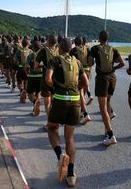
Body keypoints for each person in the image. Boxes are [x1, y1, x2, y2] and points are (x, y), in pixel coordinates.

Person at [46, 38, 88, 187]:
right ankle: (70, 175)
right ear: (70, 49)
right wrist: (76, 90)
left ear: (59, 48)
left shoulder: (55, 60)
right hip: (76, 100)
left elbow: (48, 79)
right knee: (69, 137)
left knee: (51, 128)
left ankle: (60, 157)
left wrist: (56, 89)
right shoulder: (77, 62)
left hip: (60, 100)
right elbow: (86, 83)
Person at [89, 30, 124, 146]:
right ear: (108, 39)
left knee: (102, 107)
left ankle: (110, 135)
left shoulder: (95, 49)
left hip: (102, 79)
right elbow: (122, 63)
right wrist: (113, 69)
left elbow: (89, 63)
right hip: (112, 78)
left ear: (99, 38)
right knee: (108, 102)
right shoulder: (113, 49)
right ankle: (106, 129)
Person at [35, 34, 58, 130]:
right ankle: (55, 121)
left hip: (46, 79)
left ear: (48, 41)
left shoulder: (43, 51)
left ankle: (50, 123)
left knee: (47, 104)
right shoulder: (58, 50)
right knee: (53, 103)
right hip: (56, 79)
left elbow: (35, 66)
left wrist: (43, 66)